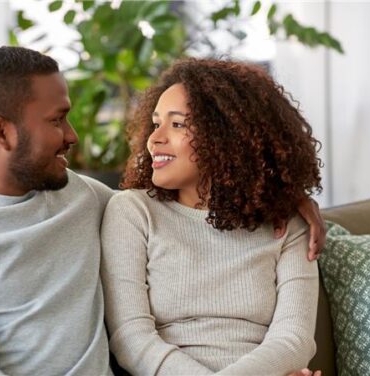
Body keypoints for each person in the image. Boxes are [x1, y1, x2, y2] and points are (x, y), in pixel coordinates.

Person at [0, 47, 325, 374]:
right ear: (0, 132)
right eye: (56, 120)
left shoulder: (82, 197)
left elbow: (188, 213)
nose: (73, 136)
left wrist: (286, 196)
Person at [101, 58, 323, 376]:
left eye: (177, 124)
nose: (154, 139)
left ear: (228, 137)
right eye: (155, 123)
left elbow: (294, 341)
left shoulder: (289, 225)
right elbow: (131, 340)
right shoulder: (133, 213)